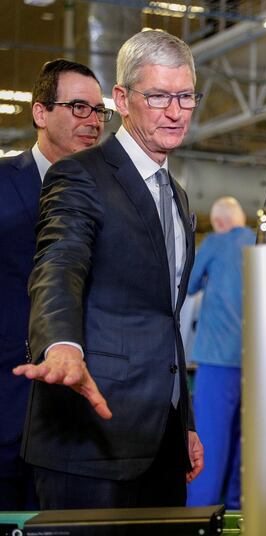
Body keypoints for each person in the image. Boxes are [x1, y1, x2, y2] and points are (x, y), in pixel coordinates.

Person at [13, 29, 205, 509]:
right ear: (121, 99)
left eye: (185, 96)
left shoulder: (177, 196)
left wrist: (184, 421)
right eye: (159, 96)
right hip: (89, 440)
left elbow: (165, 320)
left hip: (161, 442)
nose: (176, 111)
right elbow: (59, 265)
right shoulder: (80, 174)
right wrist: (60, 345)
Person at [0, 59, 110, 510]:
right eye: (78, 107)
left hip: (80, 411)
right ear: (40, 113)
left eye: (100, 111)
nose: (93, 121)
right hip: (6, 399)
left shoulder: (115, 195)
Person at [186, 196, 254, 509]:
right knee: (246, 442)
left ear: (219, 223)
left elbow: (187, 285)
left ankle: (202, 512)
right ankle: (239, 510)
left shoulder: (216, 242)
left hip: (217, 359)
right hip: (255, 363)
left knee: (210, 442)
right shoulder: (261, 243)